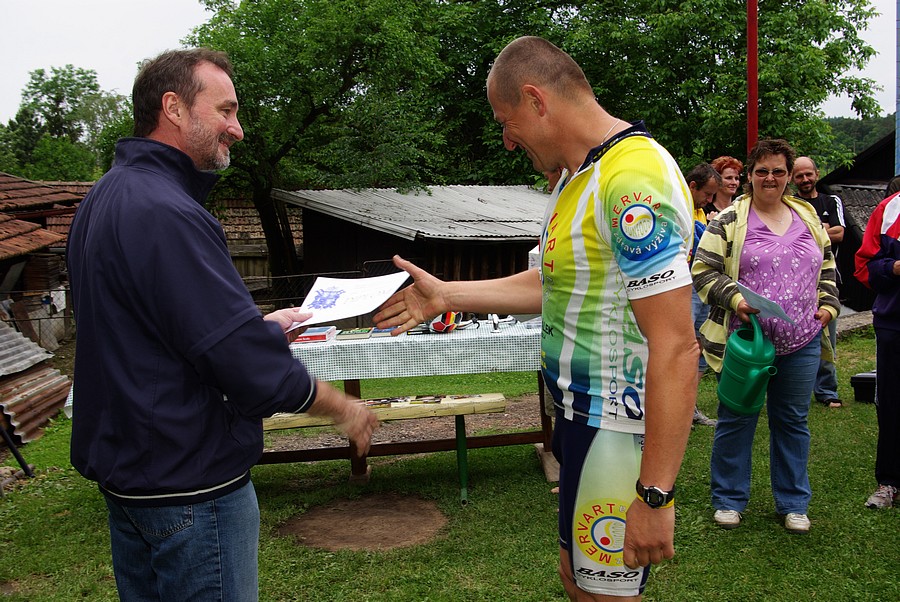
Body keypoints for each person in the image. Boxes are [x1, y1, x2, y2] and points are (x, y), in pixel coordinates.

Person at [375, 36, 698, 600]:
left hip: (614, 428)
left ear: (536, 100)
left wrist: (655, 494)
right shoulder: (578, 178)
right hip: (576, 420)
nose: (507, 140)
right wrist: (446, 295)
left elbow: (676, 344)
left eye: (507, 122)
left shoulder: (633, 177)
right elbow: (554, 284)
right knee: (576, 580)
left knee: (602, 595)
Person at [66, 49, 378, 601]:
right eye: (226, 110)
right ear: (174, 108)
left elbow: (157, 331)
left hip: (133, 482)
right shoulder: (167, 211)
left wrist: (260, 326)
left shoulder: (106, 196)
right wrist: (341, 406)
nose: (238, 129)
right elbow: (236, 359)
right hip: (191, 486)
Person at [692, 139, 839, 534]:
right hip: (746, 342)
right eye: (762, 171)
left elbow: (826, 267)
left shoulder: (807, 215)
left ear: (789, 176)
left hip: (803, 340)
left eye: (778, 171)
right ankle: (728, 499)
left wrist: (828, 306)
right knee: (737, 418)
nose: (770, 178)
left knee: (792, 421)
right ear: (750, 176)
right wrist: (736, 299)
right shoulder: (728, 219)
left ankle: (793, 503)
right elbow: (702, 271)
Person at [854, 190, 900, 509]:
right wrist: (893, 267)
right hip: (895, 323)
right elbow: (864, 267)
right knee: (893, 403)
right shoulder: (890, 209)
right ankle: (890, 482)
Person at [792, 156, 846, 408]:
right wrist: (823, 230)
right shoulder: (791, 204)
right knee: (794, 336)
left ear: (817, 174)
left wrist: (809, 232)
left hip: (826, 280)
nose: (805, 179)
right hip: (795, 281)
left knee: (828, 337)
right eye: (799, 176)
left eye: (808, 174)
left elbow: (840, 233)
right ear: (793, 179)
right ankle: (796, 388)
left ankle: (827, 390)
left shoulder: (830, 201)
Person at [684, 163, 721, 427]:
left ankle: (690, 408)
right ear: (693, 185)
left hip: (702, 286)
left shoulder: (699, 211)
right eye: (707, 194)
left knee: (701, 345)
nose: (709, 200)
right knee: (685, 345)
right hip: (685, 286)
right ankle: (676, 407)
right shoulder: (679, 207)